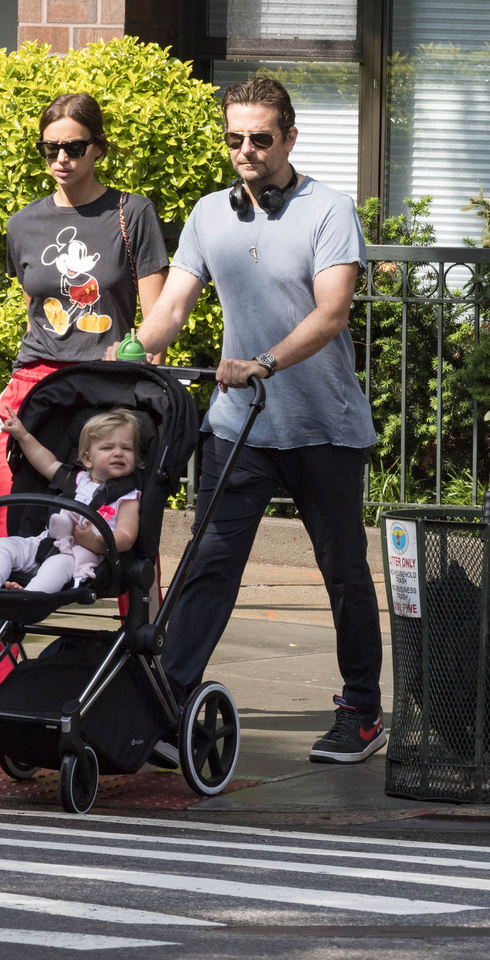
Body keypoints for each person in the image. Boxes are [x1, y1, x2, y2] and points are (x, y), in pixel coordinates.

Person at [106, 77, 385, 765]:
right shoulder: (209, 214)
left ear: (290, 137)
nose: (246, 150)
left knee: (344, 572)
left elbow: (331, 314)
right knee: (208, 564)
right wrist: (136, 348)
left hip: (324, 425)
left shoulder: (328, 210)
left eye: (260, 138)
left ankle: (362, 711)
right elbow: (173, 307)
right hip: (240, 425)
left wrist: (263, 359)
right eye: (234, 138)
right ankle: (169, 705)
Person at [0, 91, 168, 691]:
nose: (61, 158)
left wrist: (138, 354)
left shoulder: (130, 214)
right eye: (50, 148)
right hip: (38, 386)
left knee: (126, 527)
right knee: (16, 525)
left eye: (74, 147)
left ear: (98, 148)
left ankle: (145, 674)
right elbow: (36, 308)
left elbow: (155, 320)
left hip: (110, 391)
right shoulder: (24, 223)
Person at [0, 407, 142, 701]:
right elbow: (45, 461)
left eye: (126, 448)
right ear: (87, 458)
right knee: (3, 545)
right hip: (46, 542)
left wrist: (94, 541)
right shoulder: (77, 480)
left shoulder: (128, 496)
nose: (118, 453)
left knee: (58, 564)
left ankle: (30, 595)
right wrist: (21, 433)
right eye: (108, 447)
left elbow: (127, 536)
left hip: (80, 556)